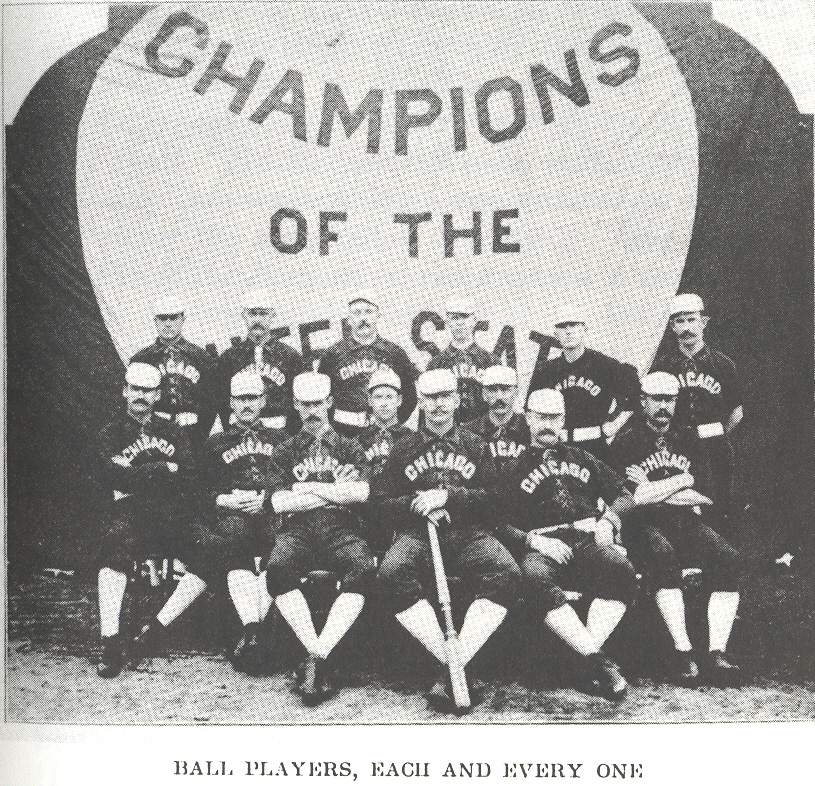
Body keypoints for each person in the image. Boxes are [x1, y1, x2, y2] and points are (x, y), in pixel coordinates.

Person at [375, 369, 520, 713]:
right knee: (391, 573)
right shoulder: (403, 448)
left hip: (467, 533)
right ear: (420, 402)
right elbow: (380, 504)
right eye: (430, 397)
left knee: (507, 572)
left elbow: (497, 499)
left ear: (456, 400)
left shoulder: (476, 445)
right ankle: (453, 663)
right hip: (418, 534)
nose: (438, 404)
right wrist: (416, 504)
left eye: (445, 397)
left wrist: (449, 497)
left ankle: (453, 666)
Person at [496, 388, 637, 701]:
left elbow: (624, 495)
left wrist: (608, 521)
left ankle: (585, 659)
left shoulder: (583, 458)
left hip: (586, 537)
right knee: (533, 578)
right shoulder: (512, 467)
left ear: (564, 419)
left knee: (621, 570)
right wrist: (533, 540)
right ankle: (599, 662)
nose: (548, 424)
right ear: (528, 418)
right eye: (541, 417)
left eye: (555, 417)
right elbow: (498, 522)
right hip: (542, 543)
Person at [610, 371, 744, 687]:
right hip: (642, 524)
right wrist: (682, 480)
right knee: (663, 555)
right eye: (656, 399)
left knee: (728, 558)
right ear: (643, 401)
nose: (663, 406)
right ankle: (683, 652)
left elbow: (704, 495)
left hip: (686, 522)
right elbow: (633, 498)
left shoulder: (689, 438)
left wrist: (655, 487)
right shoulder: (627, 440)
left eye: (669, 400)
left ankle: (716, 652)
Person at [265, 372, 376, 705]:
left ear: (329, 402)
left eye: (317, 403)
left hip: (341, 527)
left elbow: (361, 493)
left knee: (362, 567)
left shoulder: (349, 446)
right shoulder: (285, 450)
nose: (312, 410)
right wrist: (333, 492)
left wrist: (307, 488)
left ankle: (317, 656)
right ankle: (317, 652)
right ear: (295, 406)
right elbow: (278, 501)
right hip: (297, 528)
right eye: (305, 404)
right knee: (278, 567)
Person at [95, 363, 207, 677]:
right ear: (124, 391)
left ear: (158, 395)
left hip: (170, 512)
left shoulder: (173, 431)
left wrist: (138, 474)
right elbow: (113, 476)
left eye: (148, 390)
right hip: (130, 511)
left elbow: (189, 475)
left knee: (210, 552)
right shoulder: (110, 433)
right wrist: (163, 469)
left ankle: (155, 630)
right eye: (135, 389)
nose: (140, 396)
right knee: (113, 550)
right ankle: (110, 641)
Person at [186, 370, 285, 674]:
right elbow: (198, 490)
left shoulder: (281, 439)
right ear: (230, 402)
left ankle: (257, 631)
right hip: (232, 514)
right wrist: (222, 499)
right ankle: (251, 629)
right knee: (234, 538)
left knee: (278, 546)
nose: (247, 405)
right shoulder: (216, 442)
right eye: (241, 399)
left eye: (253, 398)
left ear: (264, 401)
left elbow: (292, 480)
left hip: (271, 513)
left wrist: (268, 498)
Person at [651, 293, 744, 517]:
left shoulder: (722, 364)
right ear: (672, 326)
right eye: (680, 321)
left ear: (703, 322)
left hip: (714, 446)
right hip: (676, 446)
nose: (686, 327)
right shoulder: (663, 365)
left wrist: (716, 435)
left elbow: (737, 412)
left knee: (718, 505)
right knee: (679, 509)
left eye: (691, 320)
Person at [526, 306, 638, 461]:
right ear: (555, 334)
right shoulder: (546, 370)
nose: (568, 331)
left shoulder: (604, 365)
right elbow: (529, 409)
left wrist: (614, 426)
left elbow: (635, 397)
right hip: (556, 447)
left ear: (585, 329)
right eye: (562, 326)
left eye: (573, 325)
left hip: (594, 447)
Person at [318, 290, 416, 437]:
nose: (363, 318)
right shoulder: (332, 354)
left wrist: (391, 425)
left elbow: (409, 398)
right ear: (349, 319)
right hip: (345, 433)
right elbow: (323, 398)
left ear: (378, 315)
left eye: (369, 312)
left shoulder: (395, 353)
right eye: (357, 313)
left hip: (385, 431)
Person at [215, 288, 303, 436]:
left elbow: (298, 403)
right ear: (244, 316)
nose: (257, 320)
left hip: (280, 434)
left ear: (272, 315)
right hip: (240, 435)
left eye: (263, 314)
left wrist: (290, 437)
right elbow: (222, 403)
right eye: (252, 314)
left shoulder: (289, 356)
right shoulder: (229, 358)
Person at [352, 367, 413, 550]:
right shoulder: (358, 441)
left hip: (401, 511)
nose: (384, 403)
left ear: (399, 400)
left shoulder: (412, 438)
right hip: (366, 513)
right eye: (378, 397)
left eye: (389, 397)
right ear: (370, 400)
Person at [427, 295, 497, 425]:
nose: (459, 323)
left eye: (464, 317)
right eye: (454, 318)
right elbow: (427, 408)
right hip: (447, 431)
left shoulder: (491, 361)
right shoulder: (436, 364)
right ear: (447, 322)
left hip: (484, 431)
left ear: (474, 320)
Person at [464, 364, 529, 474]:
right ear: (484, 395)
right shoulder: (469, 431)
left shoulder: (528, 429)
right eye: (492, 390)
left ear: (516, 393)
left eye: (505, 390)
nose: (499, 397)